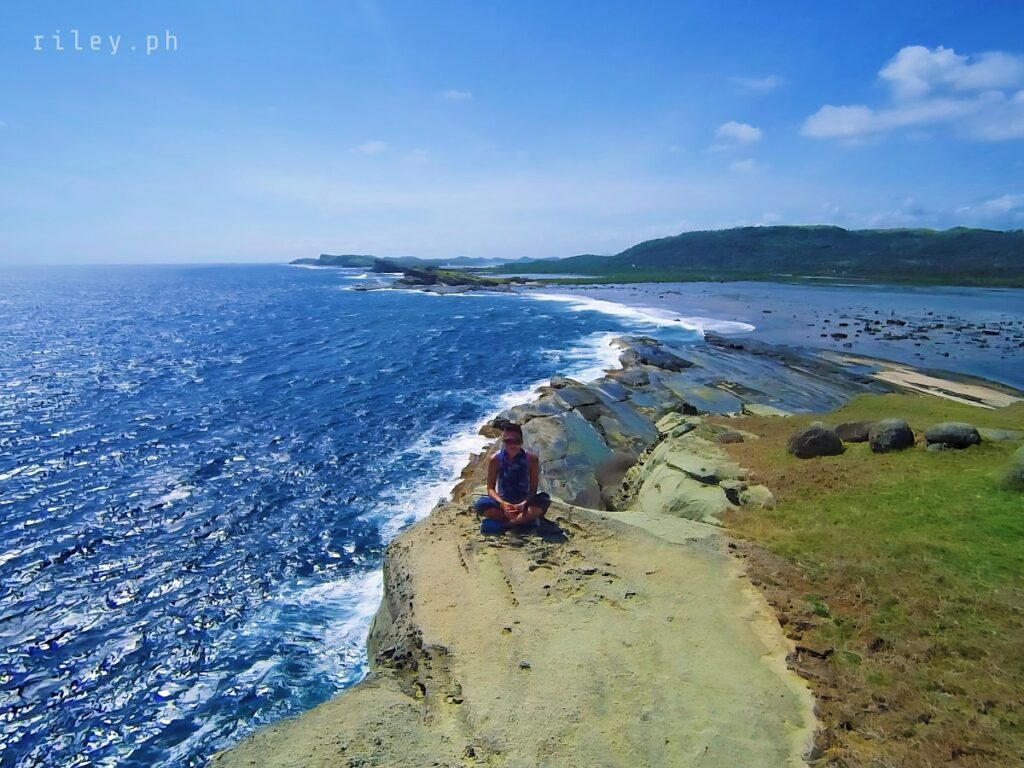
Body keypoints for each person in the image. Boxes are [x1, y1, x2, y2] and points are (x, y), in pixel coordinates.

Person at [473, 422, 551, 533]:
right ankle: (524, 520)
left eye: (516, 441)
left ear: (522, 442)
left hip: (524, 502)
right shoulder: (495, 459)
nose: (512, 445)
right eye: (508, 441)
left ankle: (506, 525)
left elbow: (533, 489)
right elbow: (490, 488)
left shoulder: (531, 459)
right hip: (504, 502)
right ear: (503, 442)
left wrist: (523, 504)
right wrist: (503, 504)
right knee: (481, 505)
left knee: (543, 500)